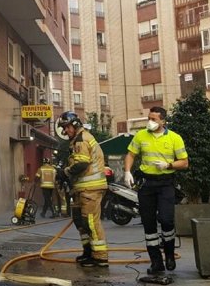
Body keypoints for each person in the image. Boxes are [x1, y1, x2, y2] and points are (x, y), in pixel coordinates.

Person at [123, 106, 189, 274]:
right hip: (147, 185)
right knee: (148, 223)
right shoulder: (141, 135)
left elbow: (184, 162)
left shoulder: (175, 138)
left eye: (154, 119)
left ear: (163, 121)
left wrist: (169, 165)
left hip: (166, 183)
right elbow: (131, 154)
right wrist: (127, 171)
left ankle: (169, 255)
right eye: (149, 118)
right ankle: (156, 262)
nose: (150, 122)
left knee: (166, 220)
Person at [58, 111, 109, 267]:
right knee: (80, 221)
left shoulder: (81, 139)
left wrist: (65, 172)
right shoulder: (76, 140)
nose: (64, 132)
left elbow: (82, 164)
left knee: (90, 222)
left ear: (74, 125)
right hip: (82, 189)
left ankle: (100, 256)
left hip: (90, 189)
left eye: (66, 127)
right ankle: (88, 252)